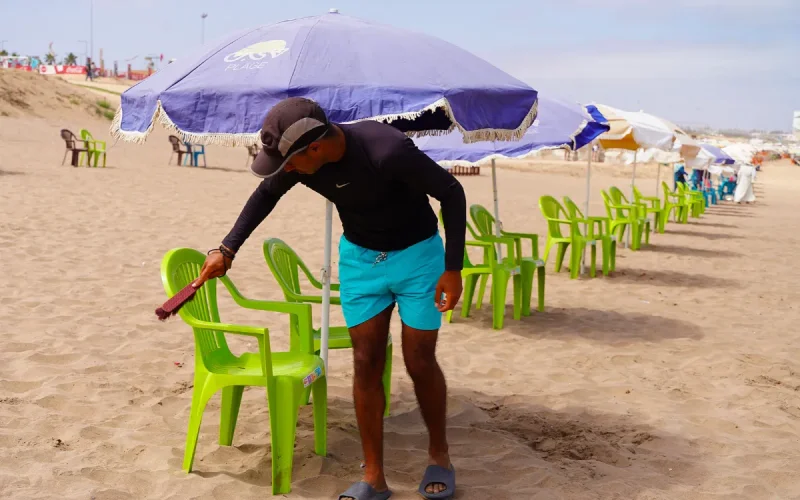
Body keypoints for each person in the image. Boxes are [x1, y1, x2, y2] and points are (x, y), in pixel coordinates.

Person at [192, 97, 466, 500]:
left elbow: (452, 192)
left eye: (290, 162)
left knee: (419, 359)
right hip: (360, 262)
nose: (286, 170)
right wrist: (227, 249)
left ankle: (439, 455)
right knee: (364, 360)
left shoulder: (386, 151)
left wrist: (453, 268)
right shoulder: (300, 164)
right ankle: (374, 476)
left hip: (419, 260)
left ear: (314, 147)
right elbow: (265, 195)